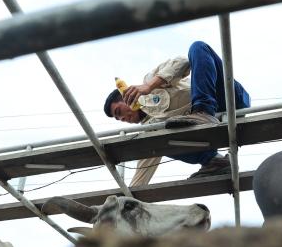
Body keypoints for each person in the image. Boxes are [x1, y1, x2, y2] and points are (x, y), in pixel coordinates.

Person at [103, 41, 251, 187]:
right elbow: (142, 173)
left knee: (198, 47)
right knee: (153, 142)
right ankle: (214, 161)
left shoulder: (150, 83)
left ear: (126, 94)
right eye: (119, 119)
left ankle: (204, 111)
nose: (123, 118)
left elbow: (183, 62)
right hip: (215, 129)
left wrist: (149, 86)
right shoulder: (149, 130)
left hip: (227, 97)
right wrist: (128, 197)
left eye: (119, 112)